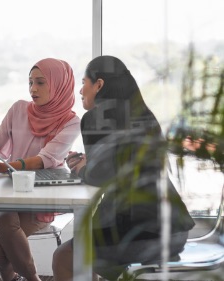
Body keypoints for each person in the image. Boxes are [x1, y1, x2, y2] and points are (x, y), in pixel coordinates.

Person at [52, 56, 195, 281]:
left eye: (83, 83)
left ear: (98, 85)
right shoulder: (145, 116)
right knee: (85, 254)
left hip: (141, 232)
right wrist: (89, 164)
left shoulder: (93, 119)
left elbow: (99, 177)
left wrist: (80, 169)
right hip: (174, 227)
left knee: (64, 258)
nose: (80, 91)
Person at [0, 58, 81, 281]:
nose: (33, 89)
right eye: (30, 82)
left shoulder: (72, 121)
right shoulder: (18, 109)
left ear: (59, 84)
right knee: (3, 225)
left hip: (42, 194)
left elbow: (45, 160)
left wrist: (3, 167)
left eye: (41, 82)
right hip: (10, 190)